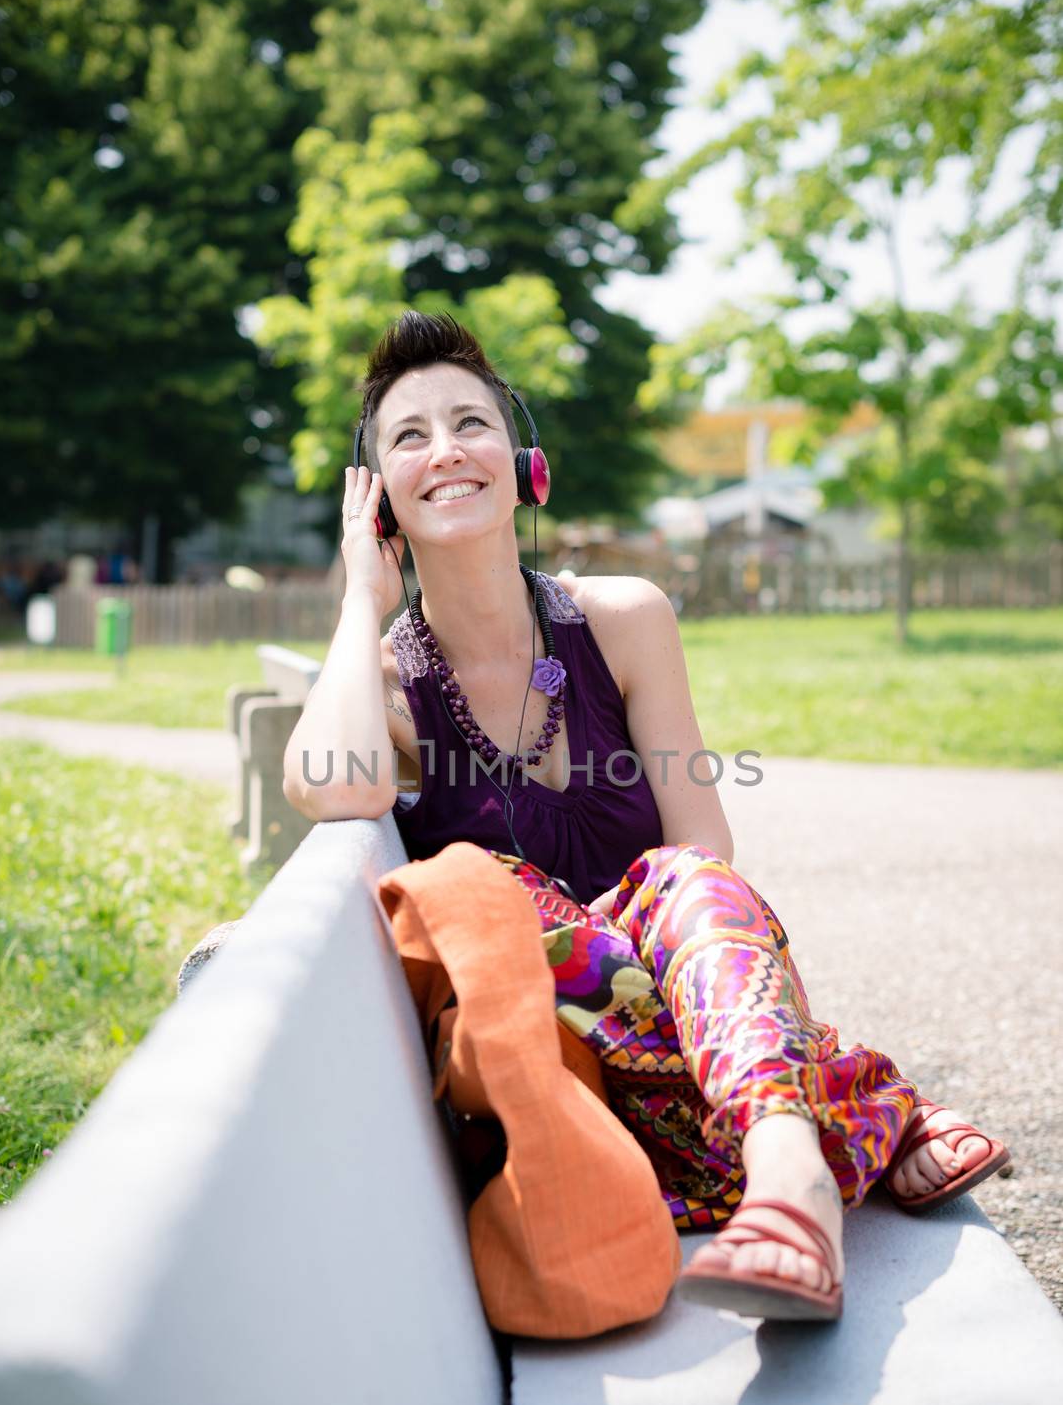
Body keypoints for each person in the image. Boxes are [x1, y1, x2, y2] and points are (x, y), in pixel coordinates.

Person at [283, 311, 1009, 1323]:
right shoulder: (394, 689)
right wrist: (362, 602)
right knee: (503, 893)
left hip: (696, 973)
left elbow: (705, 846)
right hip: (578, 1052)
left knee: (685, 877)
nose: (446, 450)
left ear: (524, 462)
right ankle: (861, 1102)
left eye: (471, 423)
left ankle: (790, 1189)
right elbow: (333, 785)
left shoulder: (624, 618)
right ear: (380, 504)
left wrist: (645, 953)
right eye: (410, 437)